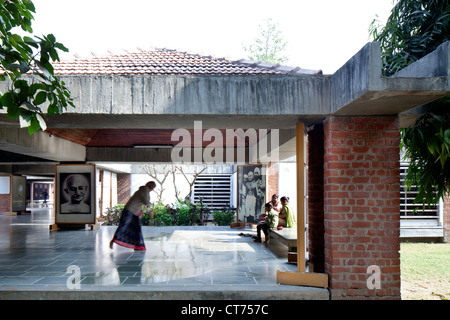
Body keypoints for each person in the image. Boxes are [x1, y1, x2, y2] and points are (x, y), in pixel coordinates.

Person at [110, 181, 156, 251]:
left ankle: (137, 246)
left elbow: (142, 203)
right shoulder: (145, 190)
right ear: (152, 188)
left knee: (136, 229)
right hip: (130, 211)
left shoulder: (142, 190)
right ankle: (114, 241)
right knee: (124, 226)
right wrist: (151, 204)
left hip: (134, 212)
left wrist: (148, 211)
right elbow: (146, 202)